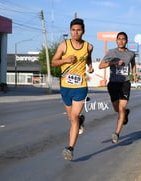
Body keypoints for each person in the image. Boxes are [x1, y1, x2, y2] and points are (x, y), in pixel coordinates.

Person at [51, 18, 94, 161]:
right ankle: (80, 120)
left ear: (83, 31)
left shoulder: (89, 46)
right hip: (65, 87)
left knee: (74, 117)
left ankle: (70, 148)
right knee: (71, 118)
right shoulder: (64, 45)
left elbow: (88, 58)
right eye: (73, 30)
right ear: (70, 31)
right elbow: (53, 62)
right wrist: (65, 60)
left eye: (79, 30)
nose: (76, 33)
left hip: (80, 86)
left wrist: (90, 66)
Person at [99, 32, 137, 144]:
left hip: (125, 83)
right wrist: (114, 63)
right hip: (113, 84)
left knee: (121, 109)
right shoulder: (111, 52)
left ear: (126, 41)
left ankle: (116, 133)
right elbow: (101, 65)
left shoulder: (131, 54)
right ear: (116, 41)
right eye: (119, 39)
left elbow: (133, 64)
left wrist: (134, 74)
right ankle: (125, 114)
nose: (121, 41)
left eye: (123, 39)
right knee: (117, 109)